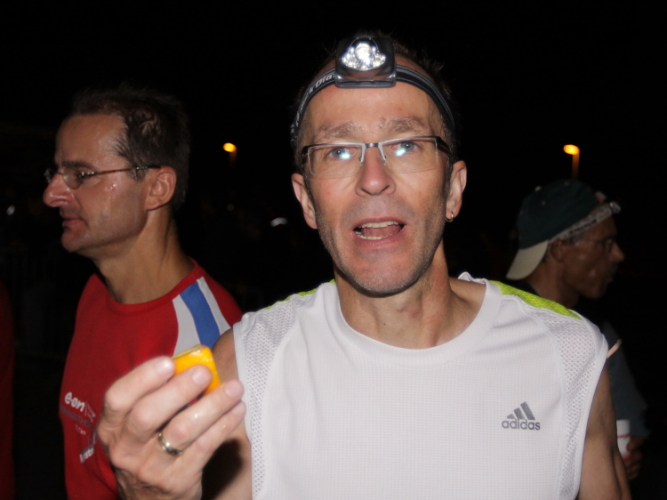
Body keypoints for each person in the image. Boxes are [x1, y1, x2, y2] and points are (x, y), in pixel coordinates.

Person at [97, 35, 629, 499]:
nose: (374, 178)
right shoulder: (249, 367)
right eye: (338, 152)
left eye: (406, 144)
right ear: (306, 201)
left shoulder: (568, 356)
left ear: (453, 189)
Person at [43, 84, 242, 500]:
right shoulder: (95, 292)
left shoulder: (209, 345)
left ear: (157, 188)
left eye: (81, 175)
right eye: (56, 173)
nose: (52, 194)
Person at [506, 178, 649, 480]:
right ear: (560, 249)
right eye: (605, 243)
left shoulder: (599, 333)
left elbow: (628, 424)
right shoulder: (501, 329)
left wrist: (623, 453)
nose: (618, 255)